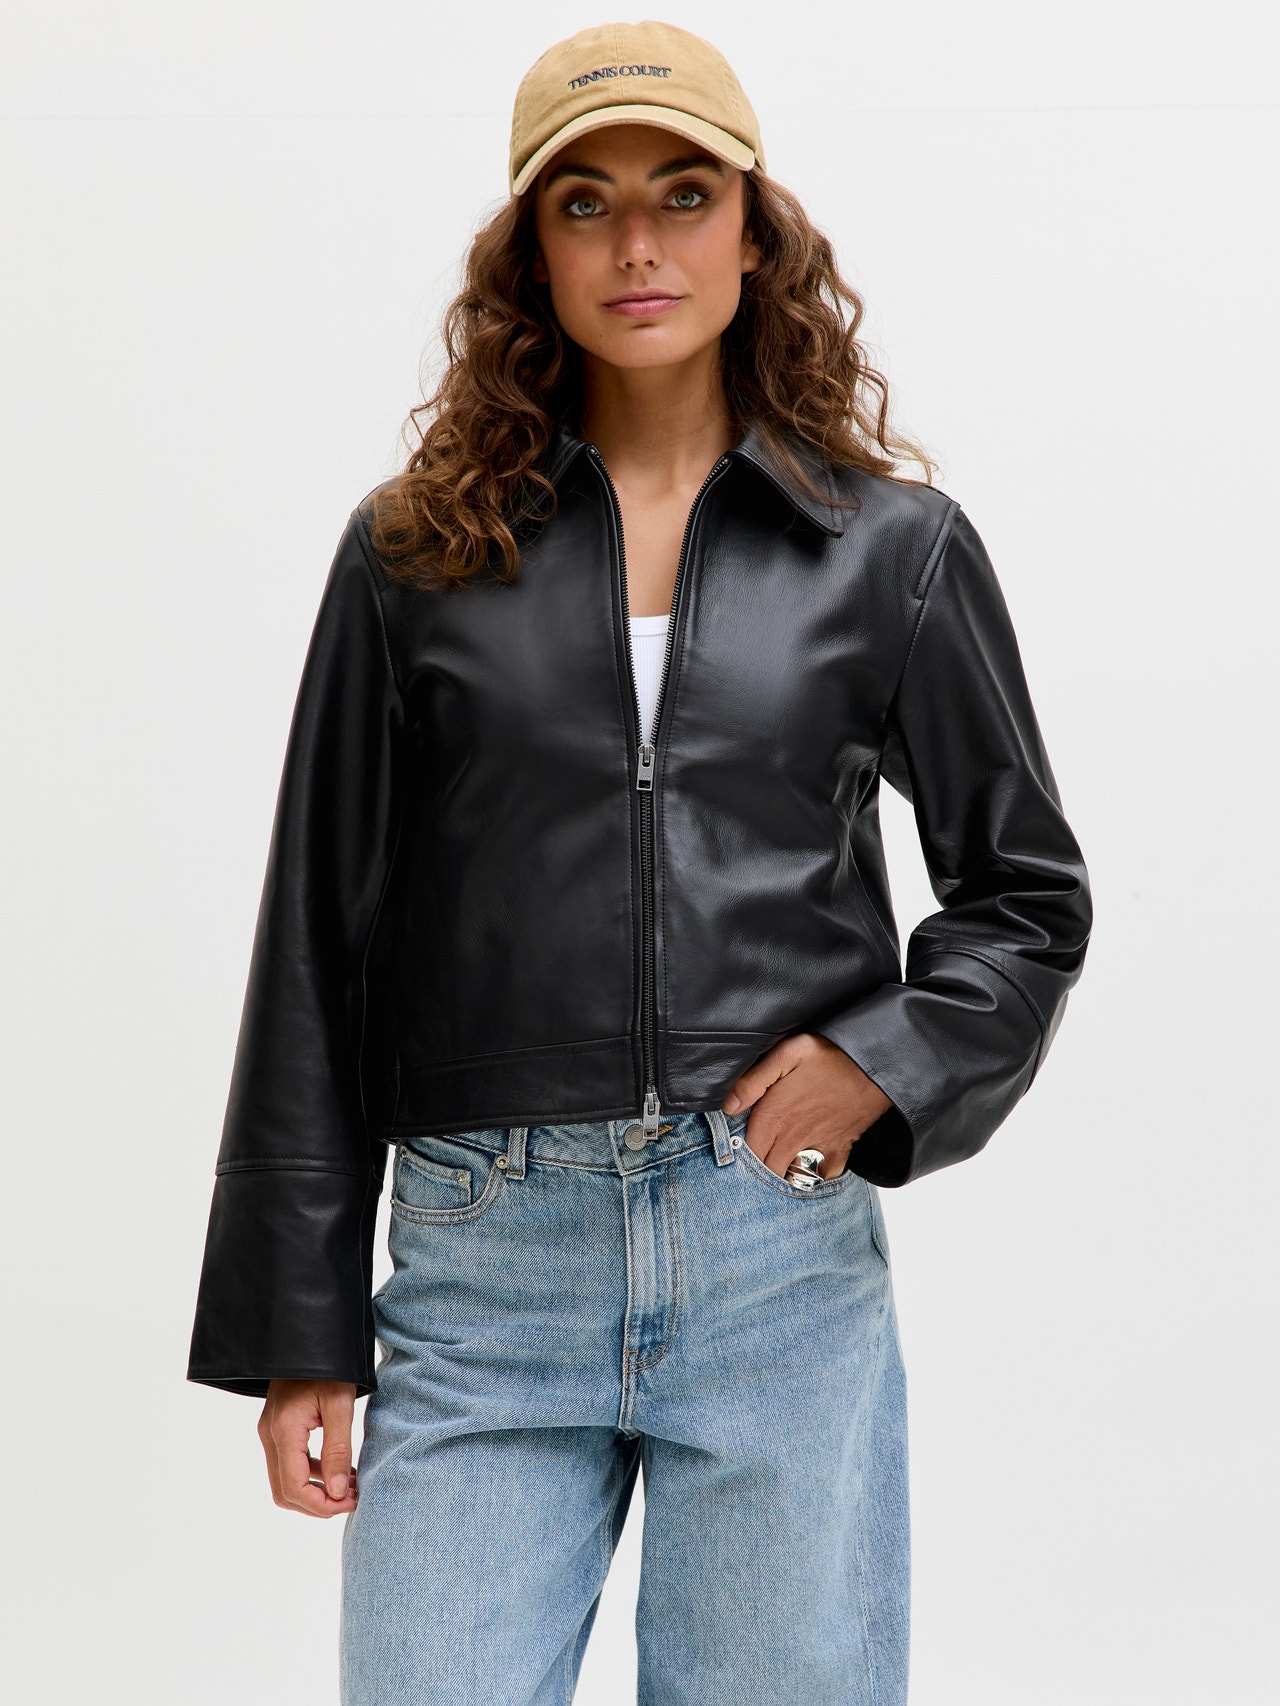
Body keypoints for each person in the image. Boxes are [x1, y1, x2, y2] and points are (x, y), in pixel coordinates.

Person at [188, 19, 1092, 1705]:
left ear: (756, 233)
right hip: (484, 1259)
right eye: (584, 202)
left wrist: (878, 1063)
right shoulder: (413, 556)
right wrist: (297, 1323)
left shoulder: (888, 551)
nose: (637, 244)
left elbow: (1026, 898)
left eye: (684, 194)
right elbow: (317, 937)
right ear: (532, 251)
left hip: (772, 1253)